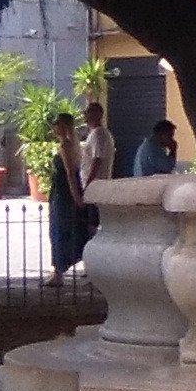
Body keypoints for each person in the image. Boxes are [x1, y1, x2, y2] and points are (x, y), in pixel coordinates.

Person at [45, 113, 85, 277]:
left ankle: (58, 271)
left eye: (57, 124)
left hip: (63, 192)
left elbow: (70, 173)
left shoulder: (65, 146)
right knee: (70, 227)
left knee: (59, 229)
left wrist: (76, 197)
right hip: (64, 189)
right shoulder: (72, 145)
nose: (54, 128)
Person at [76, 100, 115, 255]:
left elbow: (97, 159)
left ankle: (96, 258)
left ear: (98, 114)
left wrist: (88, 184)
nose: (86, 115)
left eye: (89, 112)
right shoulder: (95, 134)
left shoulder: (99, 134)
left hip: (95, 186)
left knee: (93, 225)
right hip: (94, 184)